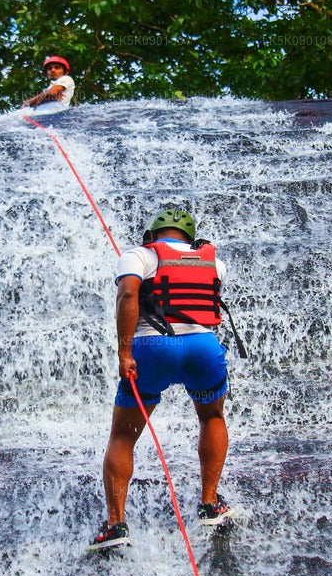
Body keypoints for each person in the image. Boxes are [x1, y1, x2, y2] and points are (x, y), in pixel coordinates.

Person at [88, 208, 235, 551]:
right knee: (212, 416)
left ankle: (115, 525)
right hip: (202, 346)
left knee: (123, 437)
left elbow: (128, 295)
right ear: (191, 238)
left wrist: (125, 353)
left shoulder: (138, 255)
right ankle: (210, 504)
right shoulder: (214, 263)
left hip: (151, 348)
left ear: (152, 236)